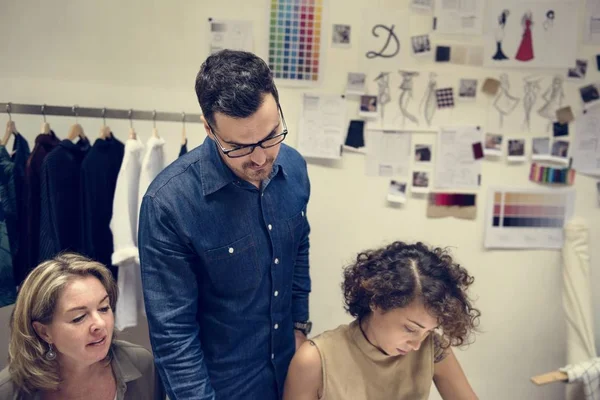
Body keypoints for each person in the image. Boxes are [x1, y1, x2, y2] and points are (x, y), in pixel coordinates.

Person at [138, 49, 312, 399]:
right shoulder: (169, 203)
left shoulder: (293, 167)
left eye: (271, 135)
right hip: (219, 386)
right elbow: (173, 335)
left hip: (287, 373)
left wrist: (299, 326)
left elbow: (298, 246)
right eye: (240, 147)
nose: (261, 157)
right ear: (208, 128)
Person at [284, 241, 480, 400]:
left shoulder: (433, 348)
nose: (416, 345)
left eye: (429, 331)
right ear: (377, 302)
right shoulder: (315, 358)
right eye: (410, 328)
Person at [0, 253, 164, 400]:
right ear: (44, 332)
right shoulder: (8, 391)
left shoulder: (143, 364)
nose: (100, 323)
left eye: (104, 308)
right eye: (79, 318)